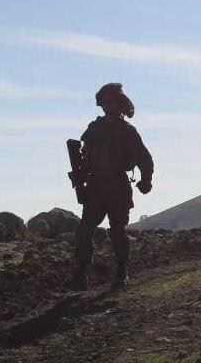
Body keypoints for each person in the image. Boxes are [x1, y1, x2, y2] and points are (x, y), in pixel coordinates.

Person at [65, 83, 154, 291]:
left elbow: (144, 157)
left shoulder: (127, 131)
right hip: (95, 186)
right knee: (84, 230)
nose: (107, 106)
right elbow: (84, 156)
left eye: (111, 101)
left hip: (117, 185)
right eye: (104, 102)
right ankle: (79, 275)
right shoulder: (93, 128)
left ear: (119, 104)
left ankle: (122, 272)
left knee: (117, 231)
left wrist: (146, 179)